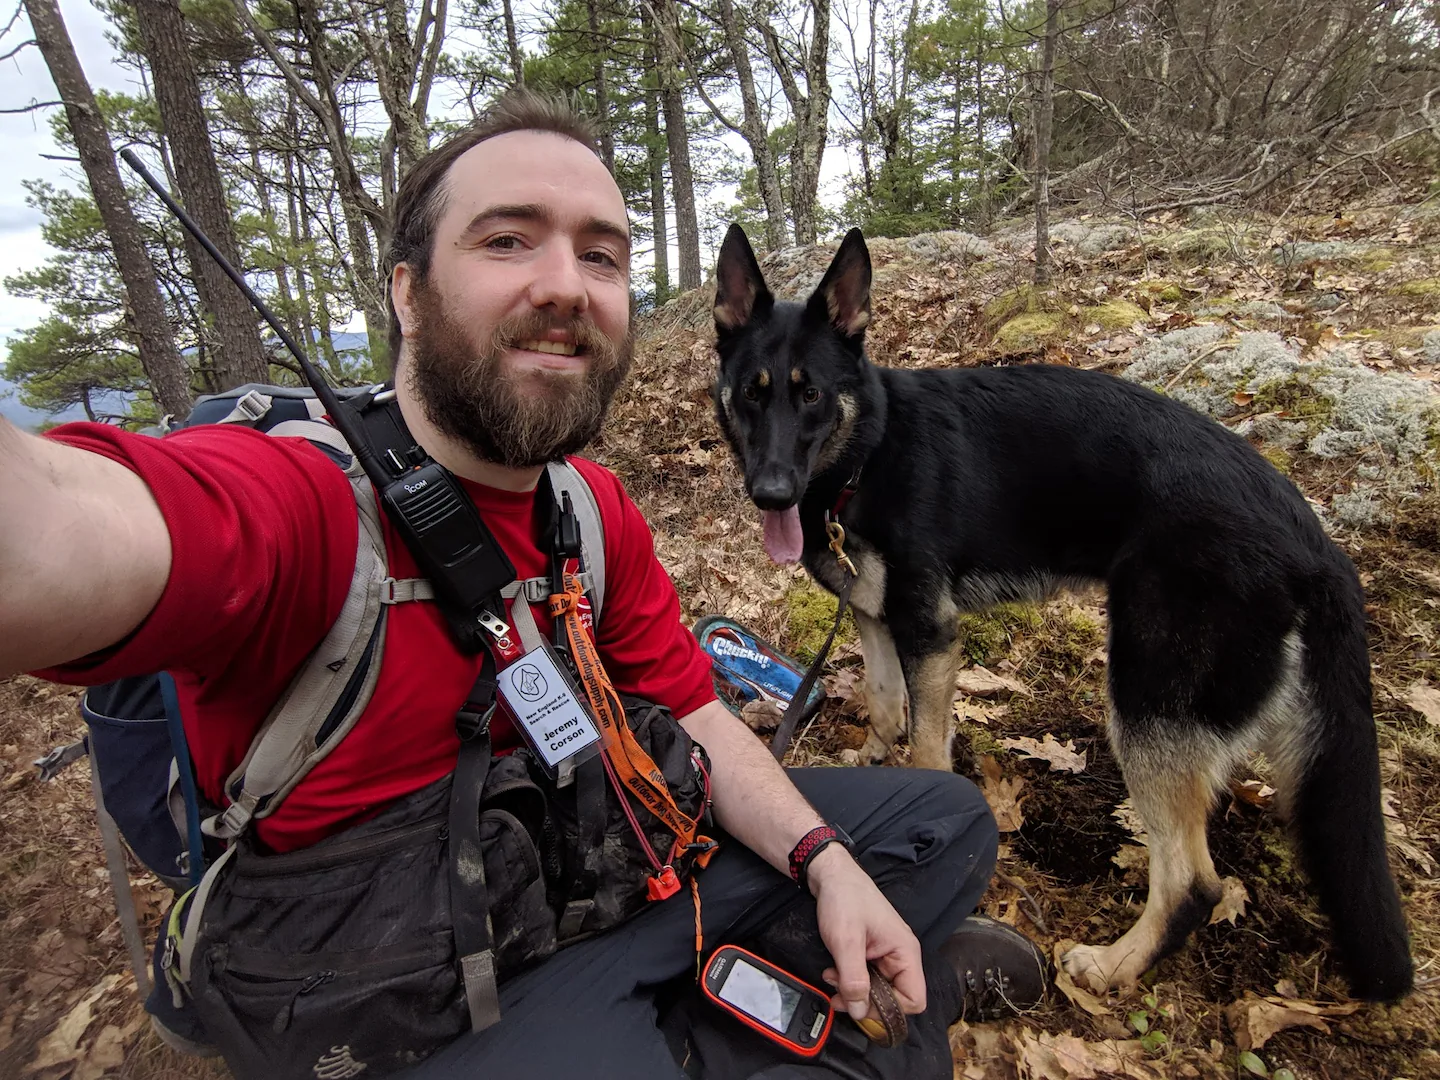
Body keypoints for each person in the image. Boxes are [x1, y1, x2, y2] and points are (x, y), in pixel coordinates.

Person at [0, 90, 1046, 1078]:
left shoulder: (586, 511)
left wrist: (824, 862)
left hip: (591, 877)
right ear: (406, 292)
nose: (564, 283)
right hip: (404, 985)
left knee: (941, 821)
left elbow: (695, 710)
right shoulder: (299, 505)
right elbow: (53, 529)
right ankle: (798, 1012)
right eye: (507, 239)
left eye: (601, 254)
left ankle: (752, 994)